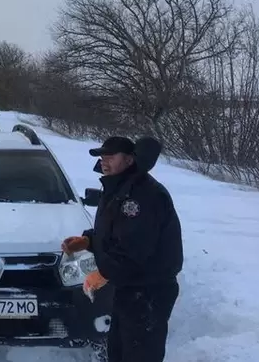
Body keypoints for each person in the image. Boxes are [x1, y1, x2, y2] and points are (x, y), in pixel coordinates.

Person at [62, 135, 183, 362]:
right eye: (102, 157)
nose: (104, 161)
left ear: (129, 160)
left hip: (148, 291)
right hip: (129, 287)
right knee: (118, 352)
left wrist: (101, 274)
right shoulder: (119, 188)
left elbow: (134, 248)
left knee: (140, 354)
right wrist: (88, 241)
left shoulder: (143, 196)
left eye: (110, 156)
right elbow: (113, 231)